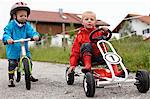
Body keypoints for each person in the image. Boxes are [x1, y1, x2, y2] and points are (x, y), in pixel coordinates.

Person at [67, 11, 123, 76]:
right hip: (84, 58)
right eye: (86, 19)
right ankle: (88, 66)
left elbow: (105, 35)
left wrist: (105, 31)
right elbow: (75, 51)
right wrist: (73, 65)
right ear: (82, 22)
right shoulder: (80, 35)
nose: (89, 21)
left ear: (95, 22)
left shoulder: (98, 32)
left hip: (98, 56)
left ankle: (116, 72)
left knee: (110, 54)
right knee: (86, 45)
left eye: (92, 19)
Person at [2, 2, 39, 87]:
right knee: (12, 64)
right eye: (21, 16)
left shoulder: (27, 25)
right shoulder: (11, 25)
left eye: (25, 16)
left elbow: (31, 32)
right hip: (13, 49)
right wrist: (8, 39)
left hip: (24, 49)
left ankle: (28, 74)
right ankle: (11, 79)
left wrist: (35, 35)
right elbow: (6, 33)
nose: (24, 17)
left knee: (29, 61)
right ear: (15, 16)